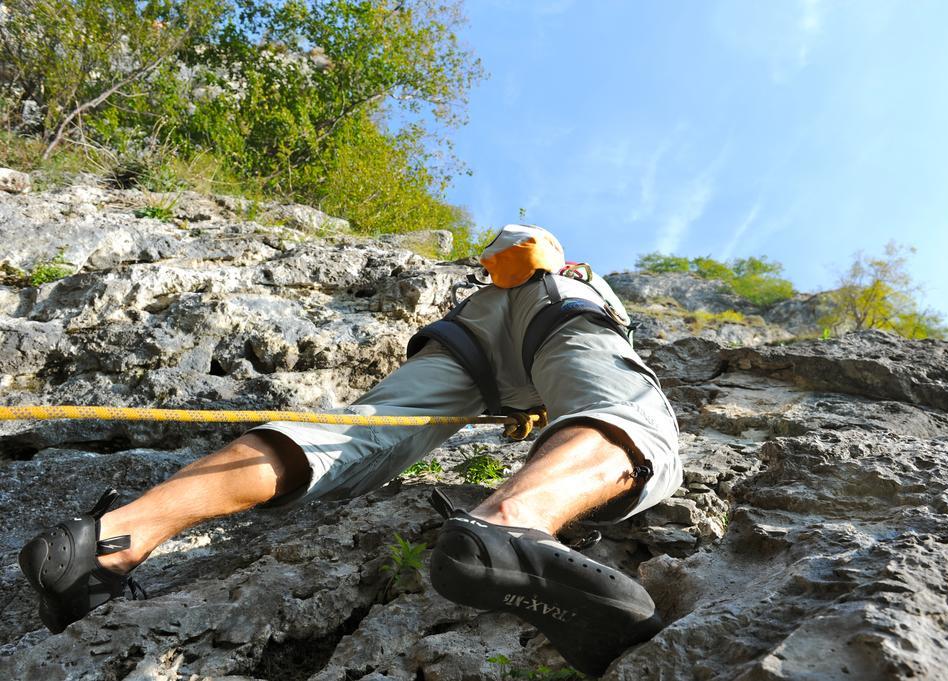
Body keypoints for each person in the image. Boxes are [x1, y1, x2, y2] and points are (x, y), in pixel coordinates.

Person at [18, 225, 682, 676]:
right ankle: (510, 526)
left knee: (349, 438)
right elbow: (532, 264)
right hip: (556, 310)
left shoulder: (489, 284)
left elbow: (504, 256)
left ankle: (107, 540)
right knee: (632, 416)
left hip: (463, 339)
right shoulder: (564, 271)